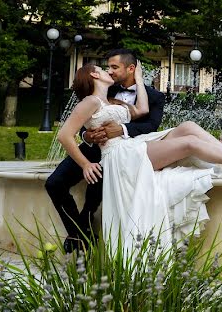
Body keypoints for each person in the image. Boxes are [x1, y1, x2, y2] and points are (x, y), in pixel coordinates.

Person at [57, 61, 222, 255]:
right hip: (121, 156)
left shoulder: (112, 102)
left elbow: (142, 109)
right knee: (188, 143)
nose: (107, 71)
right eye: (102, 69)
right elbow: (64, 135)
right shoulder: (90, 102)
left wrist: (140, 79)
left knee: (187, 127)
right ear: (94, 75)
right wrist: (85, 164)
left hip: (131, 146)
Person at [45, 49, 165, 253]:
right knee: (55, 183)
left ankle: (86, 227)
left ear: (131, 68)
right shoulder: (105, 90)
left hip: (123, 149)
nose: (110, 71)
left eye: (114, 67)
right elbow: (84, 121)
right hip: (92, 148)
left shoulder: (154, 96)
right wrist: (87, 136)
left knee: (97, 187)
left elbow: (151, 125)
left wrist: (122, 129)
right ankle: (77, 232)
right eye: (107, 67)